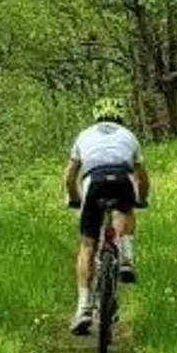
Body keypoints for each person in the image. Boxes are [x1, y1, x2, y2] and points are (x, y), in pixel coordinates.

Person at [64, 97, 149, 335]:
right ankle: (125, 258)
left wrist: (73, 198)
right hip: (121, 179)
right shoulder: (128, 136)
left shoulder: (84, 135)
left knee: (87, 245)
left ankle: (83, 308)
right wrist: (141, 199)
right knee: (126, 210)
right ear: (120, 116)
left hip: (94, 182)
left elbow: (70, 176)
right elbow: (142, 177)